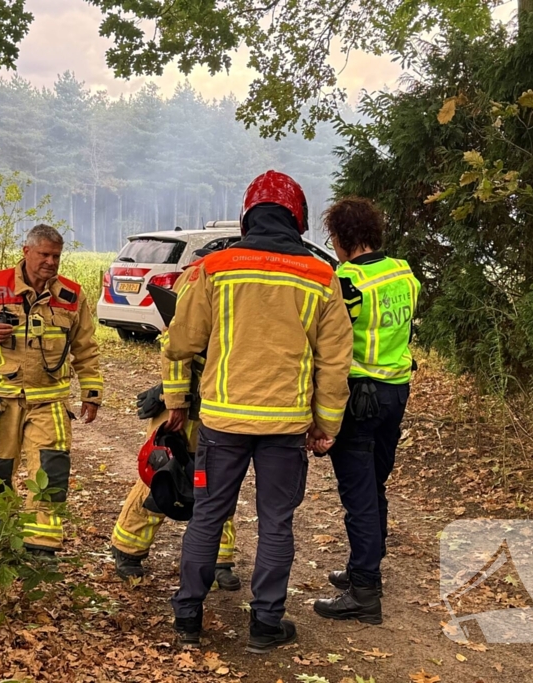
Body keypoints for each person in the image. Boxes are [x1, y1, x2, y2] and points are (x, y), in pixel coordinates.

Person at [164, 170, 353, 653]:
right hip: (286, 426)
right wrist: (326, 424)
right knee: (276, 524)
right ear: (298, 219)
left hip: (223, 423)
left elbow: (182, 342)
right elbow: (335, 362)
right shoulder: (321, 275)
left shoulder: (216, 267)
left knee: (208, 517)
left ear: (248, 215)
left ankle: (188, 616)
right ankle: (266, 624)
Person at [0, 224, 103, 557]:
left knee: (51, 471)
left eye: (56, 256)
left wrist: (91, 391)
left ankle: (41, 547)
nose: (51, 262)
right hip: (0, 402)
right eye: (44, 254)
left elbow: (86, 347)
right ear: (26, 252)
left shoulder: (72, 296)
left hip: (49, 401)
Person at [312, 197, 421, 625]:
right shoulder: (404, 272)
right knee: (374, 483)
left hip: (359, 395)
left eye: (334, 238)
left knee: (357, 494)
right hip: (396, 391)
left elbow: (330, 341)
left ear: (344, 238)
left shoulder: (347, 281)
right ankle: (366, 566)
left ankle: (364, 592)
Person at [111, 249, 240, 591]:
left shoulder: (243, 283)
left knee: (220, 481)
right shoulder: (199, 279)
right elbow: (177, 346)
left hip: (221, 404)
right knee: (163, 475)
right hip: (185, 406)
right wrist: (176, 401)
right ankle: (128, 549)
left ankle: (221, 559)